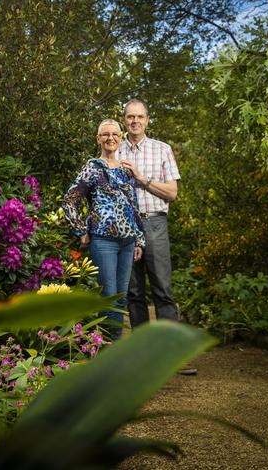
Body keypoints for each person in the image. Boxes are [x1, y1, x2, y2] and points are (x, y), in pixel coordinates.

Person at [118, 99, 196, 375]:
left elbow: (172, 193)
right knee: (134, 292)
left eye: (140, 116)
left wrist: (141, 179)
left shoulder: (162, 149)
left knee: (163, 288)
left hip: (155, 225)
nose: (135, 121)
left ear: (148, 120)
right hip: (125, 227)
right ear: (124, 119)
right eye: (130, 117)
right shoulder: (115, 149)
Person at [62, 119, 145, 340]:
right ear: (98, 139)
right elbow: (69, 200)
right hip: (103, 241)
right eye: (105, 134)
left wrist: (139, 240)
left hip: (127, 242)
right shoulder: (92, 168)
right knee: (109, 296)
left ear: (121, 138)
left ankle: (111, 346)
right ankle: (108, 349)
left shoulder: (126, 171)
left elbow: (133, 207)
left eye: (115, 134)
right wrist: (81, 230)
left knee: (121, 297)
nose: (110, 138)